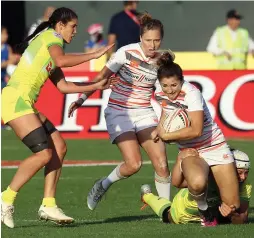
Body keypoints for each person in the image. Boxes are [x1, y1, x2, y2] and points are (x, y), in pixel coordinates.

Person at [1, 7, 113, 229]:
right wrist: (93, 54)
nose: (75, 32)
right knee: (44, 154)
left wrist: (95, 86)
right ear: (60, 26)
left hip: (23, 102)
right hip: (14, 101)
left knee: (59, 147)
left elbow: (63, 86)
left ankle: (48, 204)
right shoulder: (52, 38)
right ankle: (5, 199)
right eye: (73, 27)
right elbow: (61, 61)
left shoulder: (49, 48)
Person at [68, 13, 171, 211]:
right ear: (141, 38)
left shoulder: (162, 61)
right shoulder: (126, 52)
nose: (152, 45)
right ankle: (103, 185)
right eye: (148, 40)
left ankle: (166, 211)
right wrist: (81, 99)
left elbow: (165, 92)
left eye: (156, 40)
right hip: (119, 112)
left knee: (162, 164)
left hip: (144, 112)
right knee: (133, 165)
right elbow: (101, 77)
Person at [152, 52, 241, 226]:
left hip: (214, 145)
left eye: (174, 85)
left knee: (233, 208)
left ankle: (212, 191)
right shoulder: (159, 91)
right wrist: (159, 128)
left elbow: (196, 130)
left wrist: (166, 136)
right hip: (190, 151)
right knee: (197, 183)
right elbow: (167, 111)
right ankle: (204, 209)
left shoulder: (192, 93)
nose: (169, 90)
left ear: (182, 81)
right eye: (165, 85)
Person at [140, 149, 252, 225]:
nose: (243, 177)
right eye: (239, 172)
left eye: (246, 172)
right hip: (184, 213)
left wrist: (232, 215)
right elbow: (177, 183)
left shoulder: (246, 185)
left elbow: (243, 219)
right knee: (166, 214)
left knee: (224, 219)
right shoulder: (208, 176)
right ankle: (147, 196)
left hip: (211, 215)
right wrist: (180, 159)